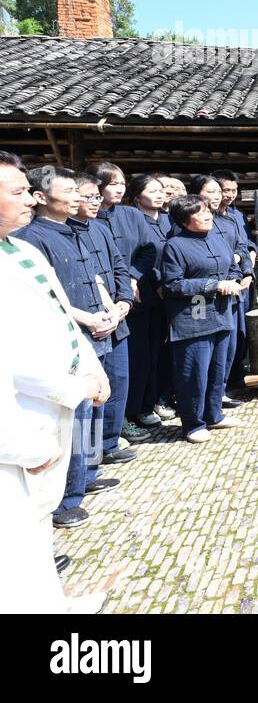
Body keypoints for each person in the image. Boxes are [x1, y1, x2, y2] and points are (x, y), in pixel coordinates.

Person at [0, 150, 109, 613]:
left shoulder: (21, 249)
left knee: (35, 521)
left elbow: (61, 316)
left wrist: (90, 366)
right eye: (18, 191)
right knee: (13, 527)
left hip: (54, 405)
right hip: (20, 419)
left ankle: (48, 603)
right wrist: (25, 443)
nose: (30, 199)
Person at [12, 168, 132, 529]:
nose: (80, 198)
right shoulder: (31, 238)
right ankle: (65, 497)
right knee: (73, 416)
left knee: (95, 408)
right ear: (42, 196)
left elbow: (98, 275)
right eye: (71, 192)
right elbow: (50, 297)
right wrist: (87, 319)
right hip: (73, 334)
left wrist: (113, 308)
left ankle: (88, 472)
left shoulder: (78, 230)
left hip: (103, 325)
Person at [160, 194, 243, 443]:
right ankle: (193, 424)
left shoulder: (217, 238)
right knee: (194, 372)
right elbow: (173, 284)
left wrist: (234, 280)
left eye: (207, 210)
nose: (208, 215)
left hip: (221, 312)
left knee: (219, 367)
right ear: (185, 220)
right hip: (193, 318)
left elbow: (233, 267)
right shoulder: (175, 246)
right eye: (200, 212)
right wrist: (214, 285)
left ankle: (214, 414)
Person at [88, 161, 149, 454]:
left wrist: (133, 280)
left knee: (127, 368)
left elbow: (147, 251)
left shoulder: (130, 215)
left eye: (122, 182)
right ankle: (96, 446)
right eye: (112, 183)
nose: (119, 188)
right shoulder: (87, 223)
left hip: (128, 300)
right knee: (101, 377)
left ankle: (116, 429)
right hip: (98, 310)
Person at [192, 175, 254, 398]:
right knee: (202, 344)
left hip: (231, 290)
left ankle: (221, 391)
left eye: (219, 192)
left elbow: (242, 247)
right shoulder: (188, 226)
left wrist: (246, 272)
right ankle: (200, 399)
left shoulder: (229, 221)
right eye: (212, 192)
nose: (219, 197)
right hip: (199, 298)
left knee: (230, 341)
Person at [124, 173, 173, 431]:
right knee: (141, 354)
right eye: (152, 190)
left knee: (161, 351)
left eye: (161, 190)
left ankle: (157, 400)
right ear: (136, 196)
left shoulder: (168, 220)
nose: (159, 194)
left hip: (170, 294)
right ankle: (139, 407)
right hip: (142, 295)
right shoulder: (132, 220)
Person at [213, 169, 256, 405]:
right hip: (224, 283)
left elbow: (246, 244)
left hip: (243, 280)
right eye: (224, 190)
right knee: (226, 334)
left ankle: (236, 377)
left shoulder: (237, 216)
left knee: (240, 331)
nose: (229, 195)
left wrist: (249, 270)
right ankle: (223, 385)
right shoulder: (209, 219)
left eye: (233, 190)